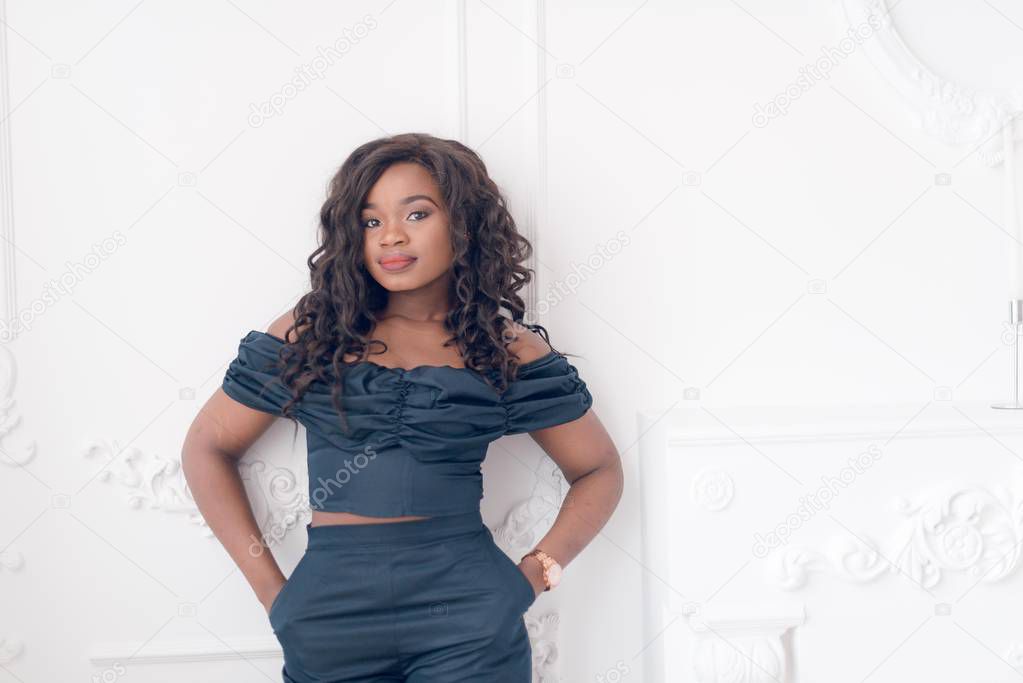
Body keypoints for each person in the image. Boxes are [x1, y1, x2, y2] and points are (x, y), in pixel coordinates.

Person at [182, 132, 622, 682]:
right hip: (328, 622)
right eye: (370, 221)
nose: (391, 235)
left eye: (416, 214)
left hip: (471, 623)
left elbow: (599, 469)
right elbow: (207, 446)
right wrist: (276, 597)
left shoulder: (503, 348)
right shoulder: (313, 333)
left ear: (463, 224)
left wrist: (534, 575)